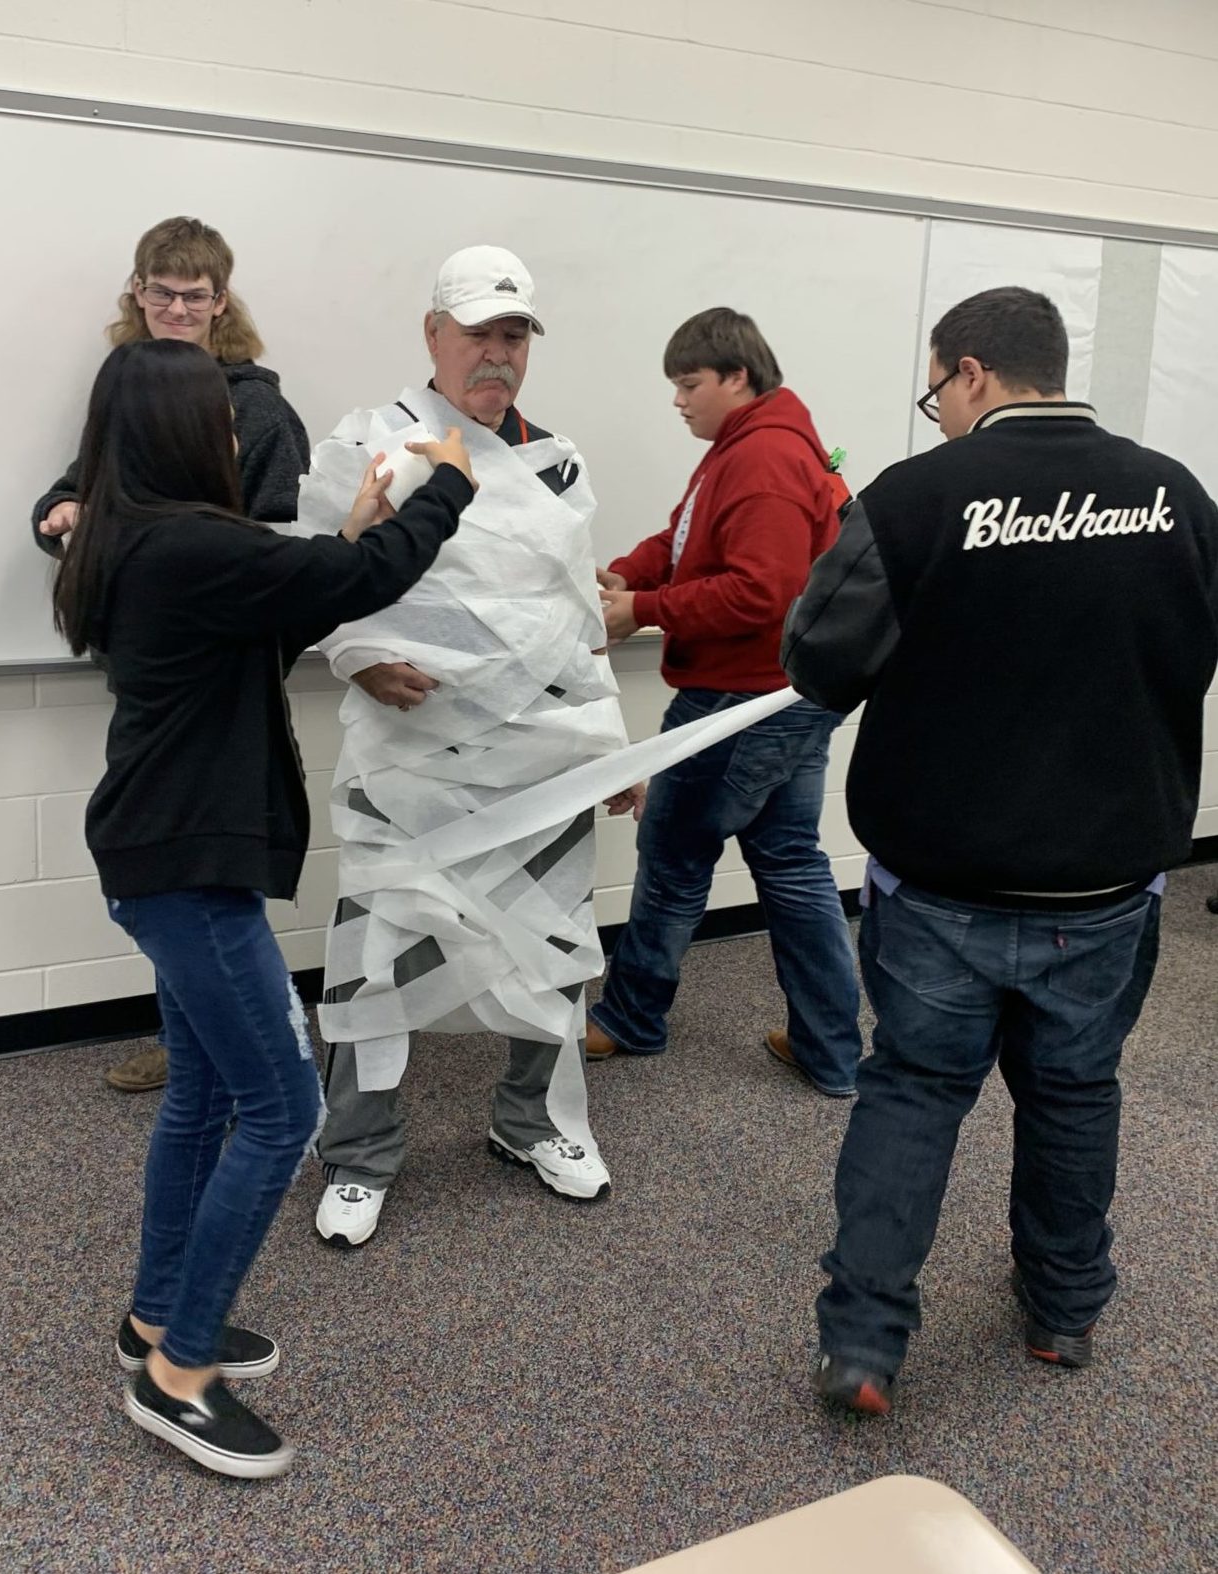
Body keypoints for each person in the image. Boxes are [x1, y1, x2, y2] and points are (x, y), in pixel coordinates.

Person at [782, 286, 1218, 1416]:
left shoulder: (916, 497)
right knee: (1074, 1092)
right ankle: (1063, 1310)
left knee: (914, 1092)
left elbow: (819, 663)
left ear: (971, 371)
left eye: (935, 389)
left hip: (940, 884)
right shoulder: (1173, 494)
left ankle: (863, 1345)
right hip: (1106, 880)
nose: (933, 413)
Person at [54, 337, 474, 1475]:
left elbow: (278, 614)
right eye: (226, 419)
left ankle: (153, 1315)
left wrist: (353, 530)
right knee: (282, 1110)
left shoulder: (141, 537)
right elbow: (355, 584)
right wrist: (451, 479)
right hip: (185, 870)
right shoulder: (188, 542)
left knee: (201, 1091)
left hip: (165, 852)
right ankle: (180, 1374)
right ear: (186, 431)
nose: (241, 434)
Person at [299, 246, 641, 1248]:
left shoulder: (558, 458)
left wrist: (609, 740)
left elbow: (573, 613)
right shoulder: (375, 440)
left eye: (512, 335)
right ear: (432, 333)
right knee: (374, 952)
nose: (496, 355)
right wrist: (358, 655)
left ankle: (530, 1120)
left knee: (547, 944)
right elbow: (324, 576)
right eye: (478, 333)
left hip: (539, 753)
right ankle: (359, 1154)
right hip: (410, 757)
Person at [33, 214, 311, 1095]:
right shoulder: (126, 389)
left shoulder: (259, 409)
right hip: (154, 669)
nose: (177, 308)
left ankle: (220, 1042)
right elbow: (80, 494)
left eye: (196, 295)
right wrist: (61, 520)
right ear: (138, 293)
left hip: (227, 664)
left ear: (222, 301)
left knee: (215, 847)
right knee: (172, 850)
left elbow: (281, 548)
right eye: (162, 292)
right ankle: (193, 1034)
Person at [587, 307, 862, 1096]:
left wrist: (641, 610)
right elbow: (682, 541)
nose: (678, 400)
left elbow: (760, 593)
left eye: (690, 384)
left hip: (740, 701)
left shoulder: (765, 458)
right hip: (781, 696)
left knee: (674, 855)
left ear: (737, 377)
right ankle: (828, 1047)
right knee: (790, 863)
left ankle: (633, 1017)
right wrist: (626, 575)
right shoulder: (740, 449)